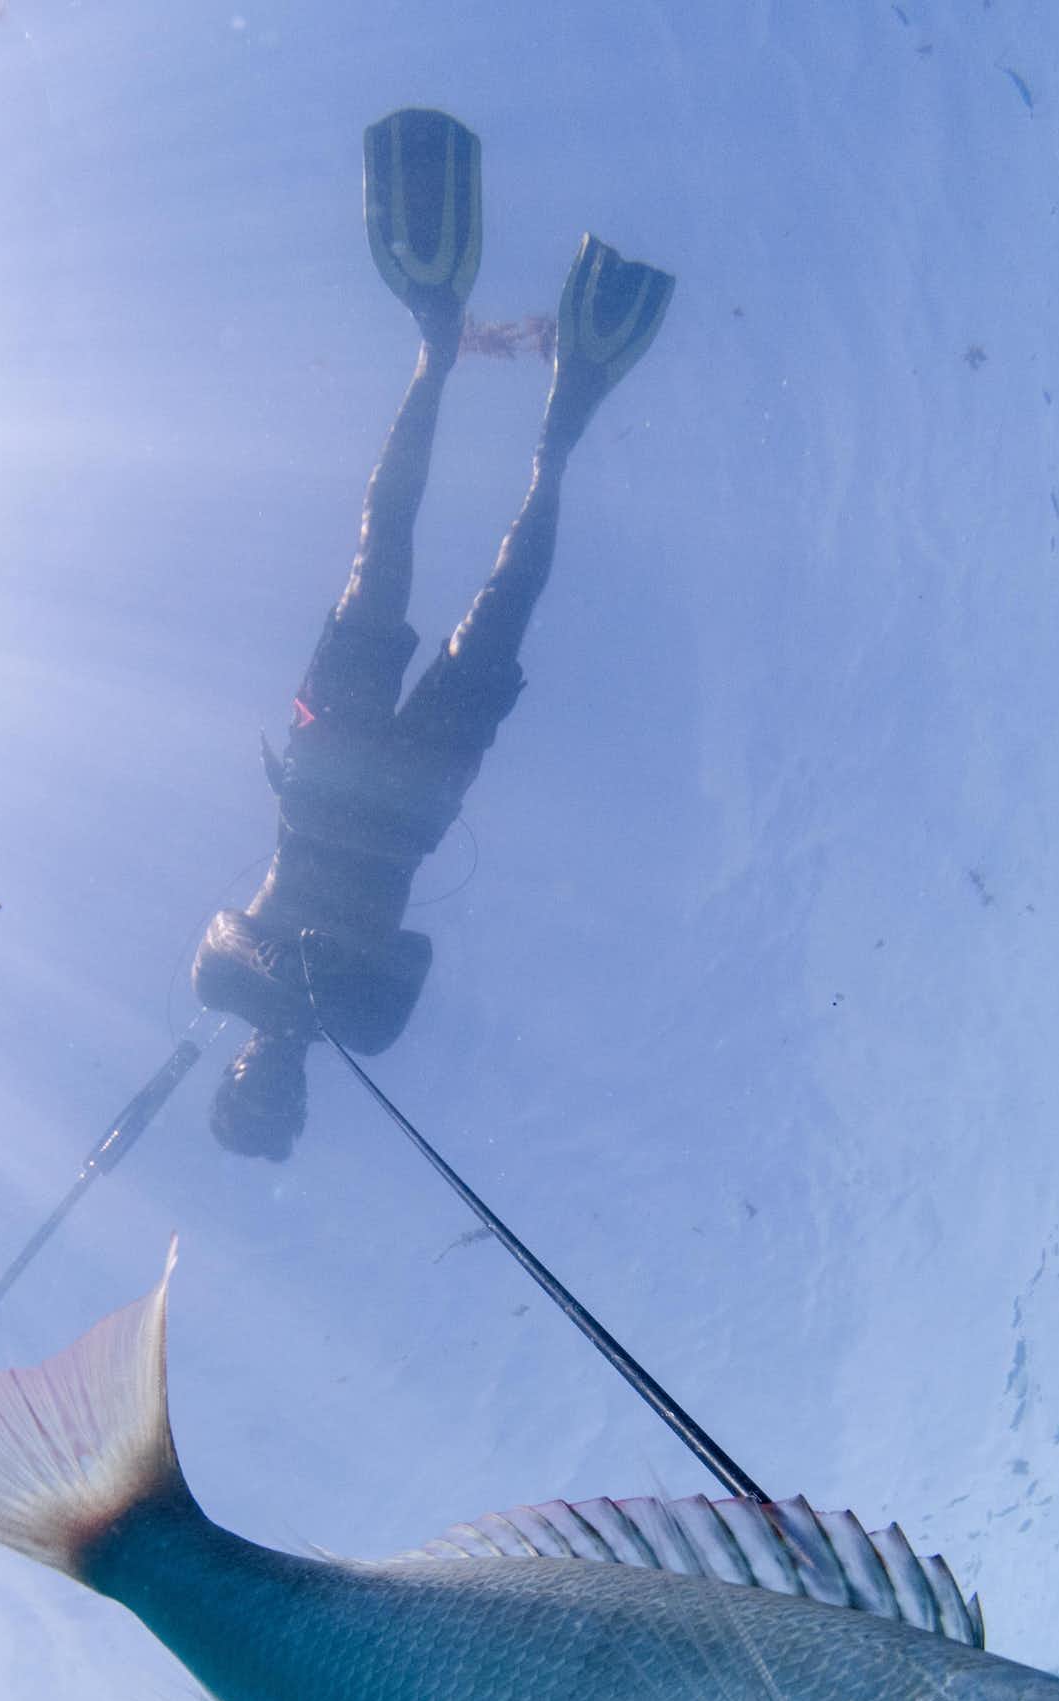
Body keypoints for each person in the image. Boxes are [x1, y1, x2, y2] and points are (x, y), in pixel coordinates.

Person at [189, 108, 675, 1159]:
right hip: (410, 804)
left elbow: (222, 941)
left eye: (249, 1093)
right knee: (503, 608)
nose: (267, 1083)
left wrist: (282, 971)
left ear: (232, 1072)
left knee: (383, 550)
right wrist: (321, 983)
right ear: (299, 1103)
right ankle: (564, 421)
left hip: (327, 769)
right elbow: (408, 956)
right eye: (279, 1105)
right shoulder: (363, 1029)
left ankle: (436, 352)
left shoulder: (221, 982)